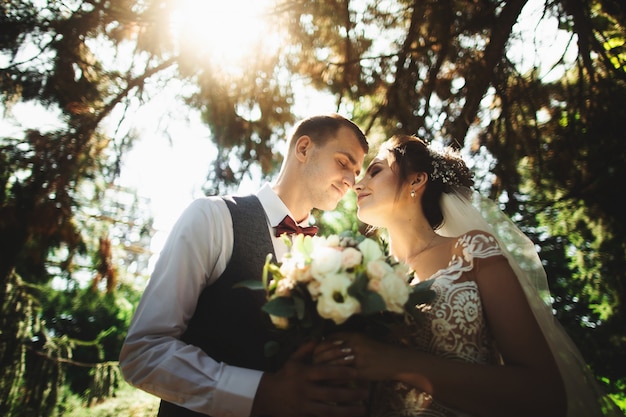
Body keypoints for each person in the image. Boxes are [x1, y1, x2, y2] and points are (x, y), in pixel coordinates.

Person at [314, 134, 622, 417]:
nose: (357, 184)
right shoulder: (366, 279)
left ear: (417, 180)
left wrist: (396, 363)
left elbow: (545, 394)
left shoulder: (472, 251)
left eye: (376, 170)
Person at [119, 114, 371, 417]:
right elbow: (144, 352)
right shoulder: (212, 217)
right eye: (344, 162)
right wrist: (258, 393)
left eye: (357, 172)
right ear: (303, 149)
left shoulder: (327, 259)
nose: (351, 180)